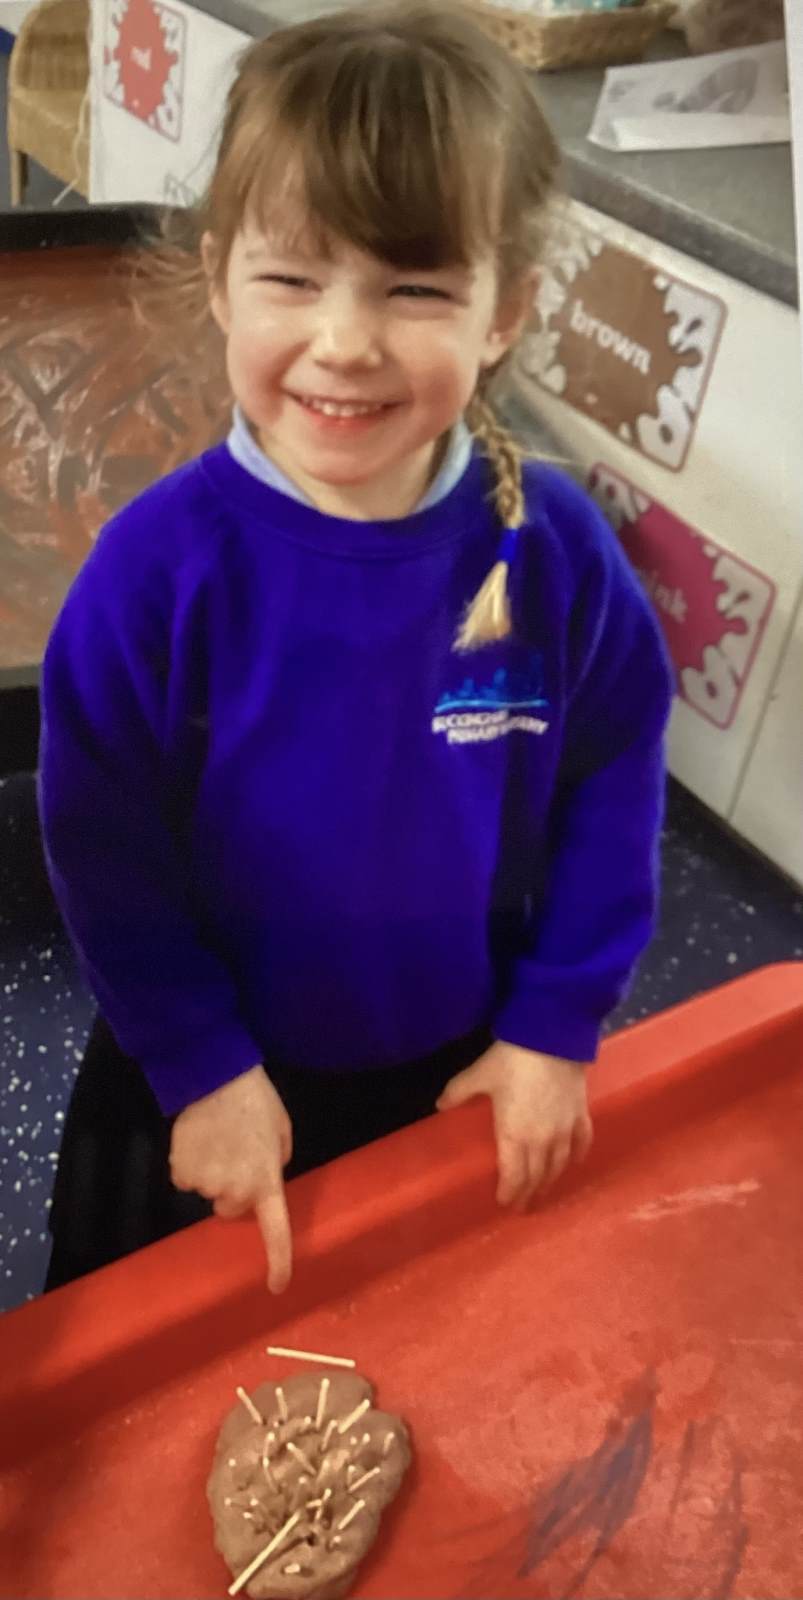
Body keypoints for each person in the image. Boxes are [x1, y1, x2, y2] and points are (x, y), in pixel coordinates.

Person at [39, 0, 673, 1297]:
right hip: (208, 1065)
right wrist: (199, 1064)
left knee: (425, 1336)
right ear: (220, 279)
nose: (344, 340)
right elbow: (102, 844)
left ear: (505, 312)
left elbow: (615, 774)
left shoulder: (549, 551)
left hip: (456, 1060)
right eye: (292, 278)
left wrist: (557, 1024)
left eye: (416, 287)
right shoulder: (155, 575)